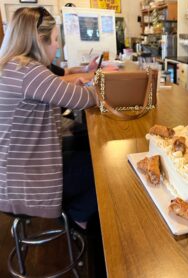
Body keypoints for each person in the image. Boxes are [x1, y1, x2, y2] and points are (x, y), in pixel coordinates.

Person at [0, 7, 106, 276]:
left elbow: (61, 88)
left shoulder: (12, 65)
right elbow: (84, 99)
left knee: (86, 148)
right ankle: (78, 215)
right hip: (24, 181)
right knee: (107, 169)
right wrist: (106, 84)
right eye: (55, 39)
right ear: (39, 39)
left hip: (11, 173)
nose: (57, 46)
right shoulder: (28, 71)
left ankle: (78, 212)